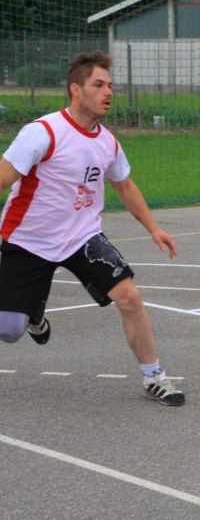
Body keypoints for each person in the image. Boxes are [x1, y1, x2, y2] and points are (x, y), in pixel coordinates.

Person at [0, 51, 185, 406]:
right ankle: (34, 314)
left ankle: (154, 377)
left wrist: (153, 228)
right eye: (98, 84)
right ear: (76, 89)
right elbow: (5, 177)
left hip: (81, 237)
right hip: (29, 239)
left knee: (129, 296)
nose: (108, 92)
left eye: (110, 85)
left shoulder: (107, 142)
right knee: (9, 330)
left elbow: (125, 186)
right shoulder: (43, 133)